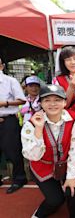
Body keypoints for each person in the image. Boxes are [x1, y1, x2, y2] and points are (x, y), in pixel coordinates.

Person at [21, 84, 75, 218]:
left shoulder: (74, 118)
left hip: (67, 164)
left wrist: (71, 177)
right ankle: (38, 214)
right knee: (55, 200)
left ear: (64, 102)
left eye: (57, 100)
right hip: (43, 166)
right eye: (47, 100)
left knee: (74, 193)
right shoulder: (31, 123)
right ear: (41, 104)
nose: (52, 104)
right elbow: (32, 156)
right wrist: (38, 130)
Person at [0, 58, 27, 193]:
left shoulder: (10, 81)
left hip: (8, 119)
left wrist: (5, 103)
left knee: (13, 150)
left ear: (2, 66)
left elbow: (22, 99)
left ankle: (19, 179)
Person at [53, 46, 75, 114]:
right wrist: (71, 87)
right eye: (68, 60)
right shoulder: (58, 80)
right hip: (69, 119)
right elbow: (60, 106)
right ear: (63, 63)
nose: (73, 62)